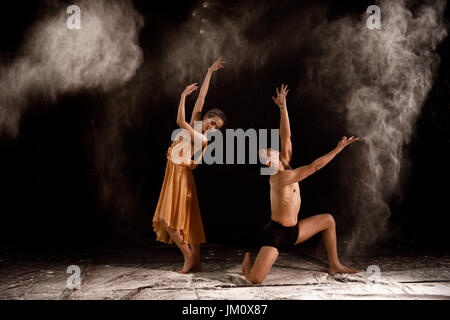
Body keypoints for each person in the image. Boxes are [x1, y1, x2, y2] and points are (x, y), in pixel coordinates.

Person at [242, 84, 359, 284]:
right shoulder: (278, 178)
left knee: (328, 220)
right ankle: (247, 266)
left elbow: (285, 136)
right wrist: (338, 150)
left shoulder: (284, 162)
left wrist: (282, 107)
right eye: (268, 151)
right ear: (270, 163)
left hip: (295, 231)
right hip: (276, 235)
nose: (271, 148)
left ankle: (334, 264)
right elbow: (312, 168)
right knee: (255, 280)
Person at [153, 57, 226, 274]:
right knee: (187, 219)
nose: (214, 128)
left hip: (181, 174)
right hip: (174, 171)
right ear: (206, 118)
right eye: (212, 122)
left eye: (218, 127)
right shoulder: (198, 124)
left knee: (168, 219)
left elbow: (180, 122)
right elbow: (202, 97)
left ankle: (189, 257)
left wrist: (183, 97)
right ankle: (197, 261)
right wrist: (210, 72)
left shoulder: (203, 138)